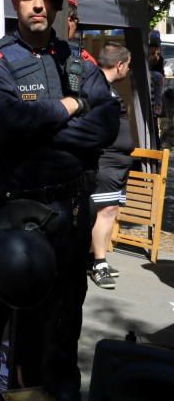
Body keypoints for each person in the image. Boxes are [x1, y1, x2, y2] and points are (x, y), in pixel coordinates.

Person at [0, 0, 119, 401]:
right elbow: (5, 122)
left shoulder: (79, 62)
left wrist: (41, 127)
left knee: (62, 339)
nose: (37, 4)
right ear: (15, 4)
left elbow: (105, 126)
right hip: (10, 215)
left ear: (57, 6)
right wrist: (68, 107)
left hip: (68, 219)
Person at [88, 43, 134, 290]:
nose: (128, 69)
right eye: (128, 64)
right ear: (120, 64)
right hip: (106, 162)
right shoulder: (99, 89)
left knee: (111, 211)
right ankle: (99, 263)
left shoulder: (107, 88)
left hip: (117, 163)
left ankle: (97, 257)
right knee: (104, 212)